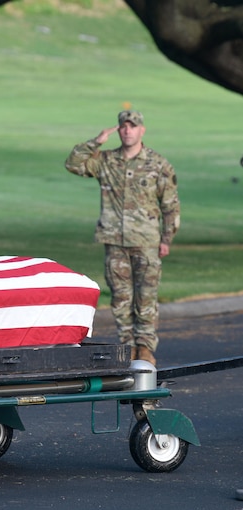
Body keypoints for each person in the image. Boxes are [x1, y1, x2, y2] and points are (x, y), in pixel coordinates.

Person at [65, 110, 180, 365]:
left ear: (142, 130)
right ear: (119, 130)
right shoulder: (106, 160)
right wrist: (95, 142)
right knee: (121, 298)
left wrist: (166, 239)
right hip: (115, 241)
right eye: (123, 126)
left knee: (146, 297)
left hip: (146, 242)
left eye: (133, 126)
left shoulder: (157, 164)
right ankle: (128, 347)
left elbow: (170, 205)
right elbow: (73, 164)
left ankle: (146, 347)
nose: (128, 130)